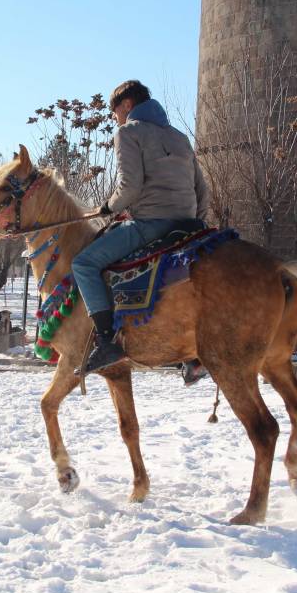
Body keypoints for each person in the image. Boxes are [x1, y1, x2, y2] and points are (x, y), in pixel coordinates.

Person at [73, 80, 209, 373]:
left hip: (151, 223)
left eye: (114, 113)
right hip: (190, 226)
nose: (115, 119)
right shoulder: (180, 137)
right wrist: (197, 222)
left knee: (84, 264)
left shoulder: (128, 132)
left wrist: (110, 206)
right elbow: (202, 190)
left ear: (127, 105)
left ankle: (107, 341)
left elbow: (130, 186)